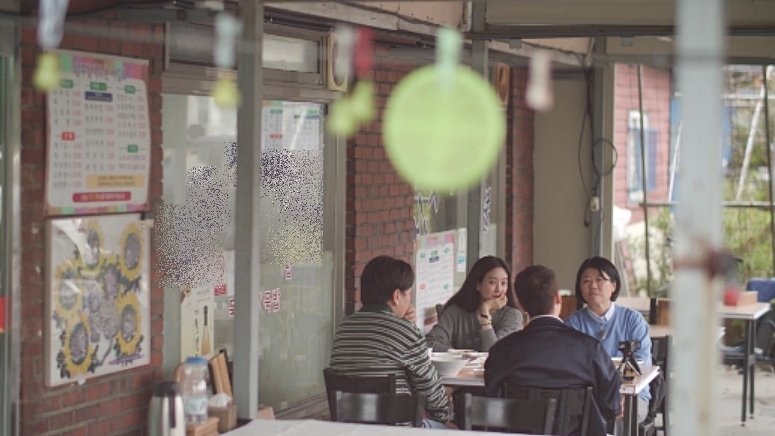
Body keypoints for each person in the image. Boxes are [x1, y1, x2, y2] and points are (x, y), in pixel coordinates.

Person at [485, 265, 622, 436]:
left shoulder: (502, 350)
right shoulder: (590, 349)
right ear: (558, 298)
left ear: (520, 304)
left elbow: (492, 400)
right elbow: (611, 407)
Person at [329, 255, 452, 428]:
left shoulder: (343, 328)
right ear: (396, 296)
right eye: (408, 293)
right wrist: (444, 419)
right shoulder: (406, 332)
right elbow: (429, 387)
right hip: (397, 429)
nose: (410, 300)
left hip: (350, 428)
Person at [565, 256, 652, 421]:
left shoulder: (633, 320)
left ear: (614, 285)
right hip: (588, 398)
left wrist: (619, 395)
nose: (593, 286)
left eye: (599, 280)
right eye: (586, 281)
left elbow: (642, 365)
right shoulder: (572, 324)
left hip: (632, 395)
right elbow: (572, 369)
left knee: (619, 413)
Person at [426, 256, 523, 352]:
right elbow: (430, 343)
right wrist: (459, 354)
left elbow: (495, 352)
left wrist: (485, 314)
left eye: (503, 283)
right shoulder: (454, 312)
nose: (499, 289)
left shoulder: (512, 315)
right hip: (457, 362)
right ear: (478, 285)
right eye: (492, 282)